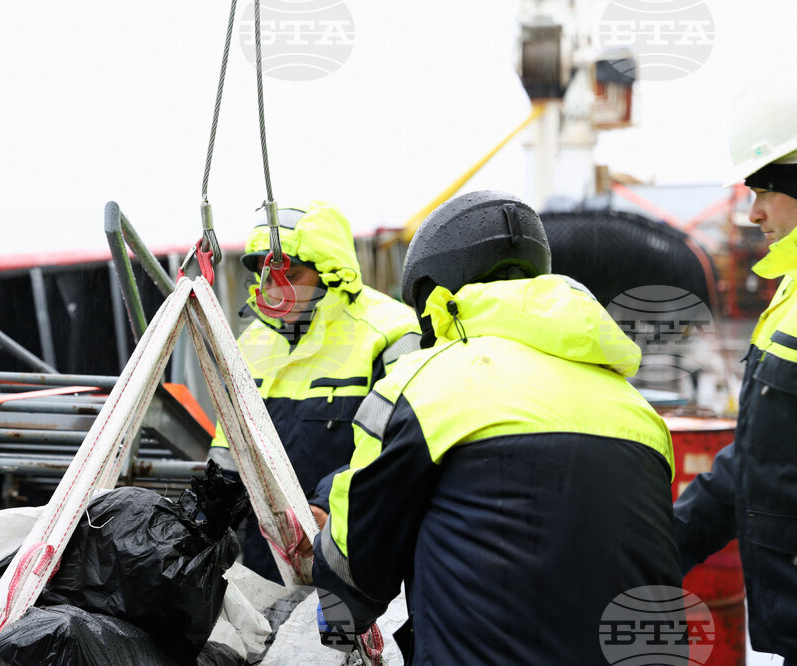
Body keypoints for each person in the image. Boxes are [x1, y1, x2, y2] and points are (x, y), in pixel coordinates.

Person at [312, 191, 682, 664]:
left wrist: (332, 618)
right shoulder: (637, 411)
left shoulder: (421, 386)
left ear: (433, 295)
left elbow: (355, 578)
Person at [208, 201, 420, 582]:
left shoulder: (393, 332)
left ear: (331, 271)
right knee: (271, 641)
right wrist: (201, 520)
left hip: (360, 560)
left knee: (340, 641)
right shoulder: (251, 342)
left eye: (290, 274)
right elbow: (229, 451)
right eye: (265, 275)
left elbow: (401, 450)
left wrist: (326, 509)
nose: (273, 288)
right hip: (268, 561)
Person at [674, 84, 797, 662]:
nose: (753, 213)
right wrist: (662, 546)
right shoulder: (789, 295)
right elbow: (759, 459)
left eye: (766, 189)